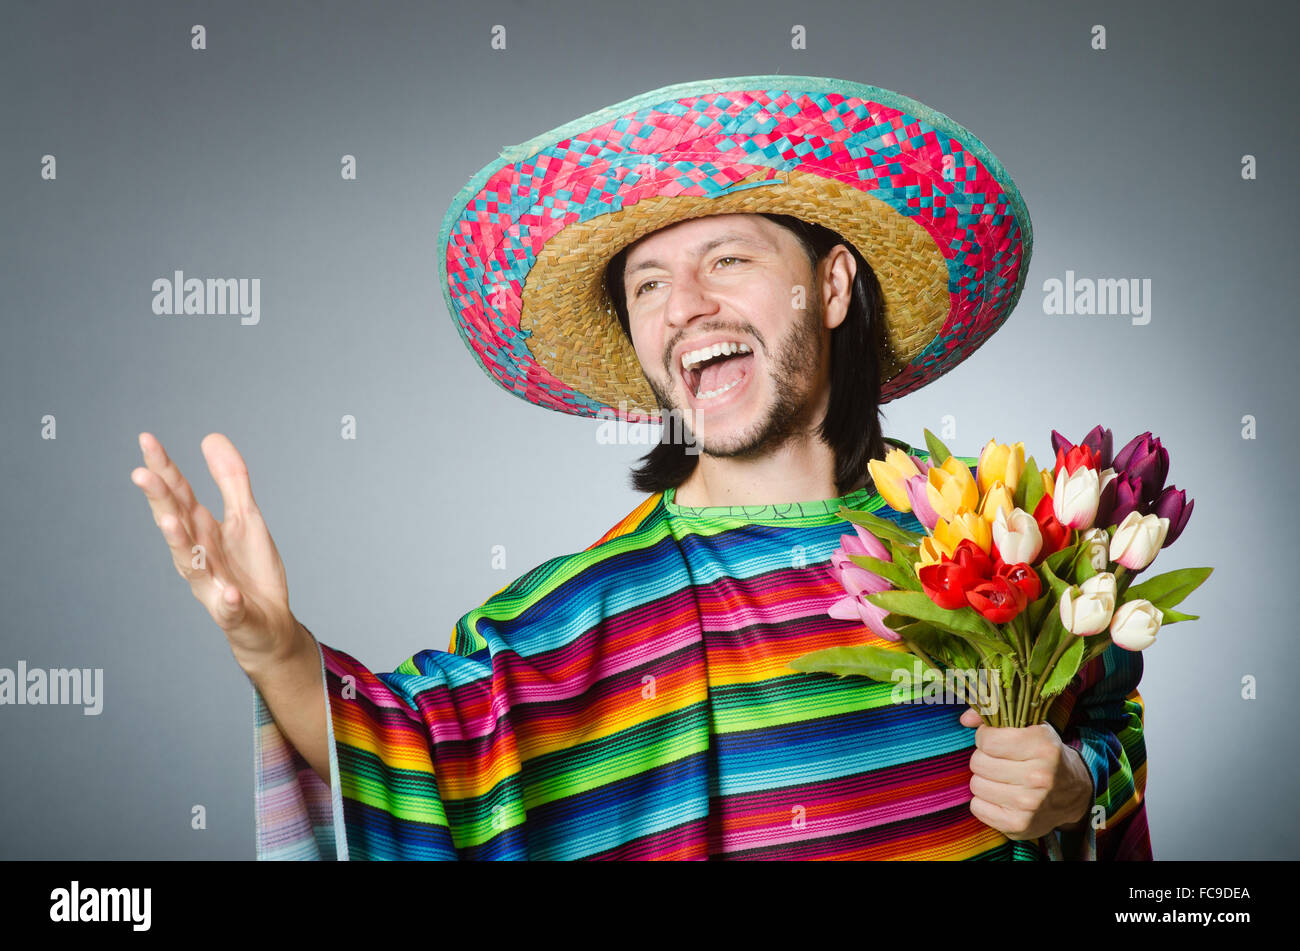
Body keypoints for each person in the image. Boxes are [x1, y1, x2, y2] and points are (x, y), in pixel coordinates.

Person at [131, 76, 1150, 860]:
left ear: (831, 286)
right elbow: (421, 763)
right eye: (648, 281)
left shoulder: (1005, 532)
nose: (683, 306)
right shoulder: (594, 612)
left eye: (727, 260)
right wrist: (276, 652)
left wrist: (1075, 785)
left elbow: (1104, 731)